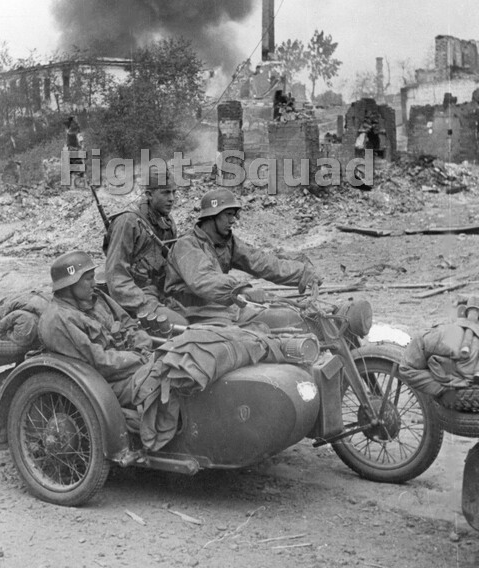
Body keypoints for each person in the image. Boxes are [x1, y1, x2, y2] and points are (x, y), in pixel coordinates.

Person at [164, 187, 323, 327]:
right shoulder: (186, 244)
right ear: (211, 216)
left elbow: (260, 261)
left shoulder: (226, 242)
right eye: (228, 214)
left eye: (234, 215)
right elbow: (204, 279)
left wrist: (302, 273)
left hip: (219, 308)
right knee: (254, 335)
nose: (233, 220)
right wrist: (241, 288)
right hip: (190, 312)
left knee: (288, 318)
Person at [38, 250, 152, 409]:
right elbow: (99, 362)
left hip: (126, 366)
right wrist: (140, 359)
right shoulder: (59, 320)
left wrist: (141, 343)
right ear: (70, 284)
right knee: (165, 380)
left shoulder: (95, 298)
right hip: (103, 386)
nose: (94, 283)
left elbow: (128, 323)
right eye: (88, 278)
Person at [105, 167, 187, 325]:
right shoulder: (128, 222)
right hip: (137, 296)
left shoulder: (167, 222)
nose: (172, 198)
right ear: (149, 194)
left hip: (160, 292)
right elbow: (117, 278)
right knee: (181, 326)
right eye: (165, 193)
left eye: (174, 192)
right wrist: (144, 304)